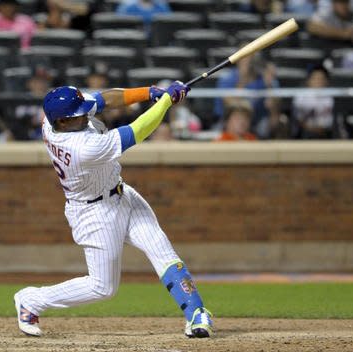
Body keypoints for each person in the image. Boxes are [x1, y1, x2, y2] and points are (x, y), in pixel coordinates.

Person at [13, 81, 214, 338]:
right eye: (79, 115)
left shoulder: (52, 119)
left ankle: (197, 313)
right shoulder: (82, 148)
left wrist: (148, 93)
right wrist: (166, 103)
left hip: (121, 194)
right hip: (94, 214)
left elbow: (105, 99)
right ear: (62, 122)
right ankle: (31, 300)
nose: (86, 115)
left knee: (161, 249)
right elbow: (137, 131)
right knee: (103, 288)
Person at [214, 52, 279, 138]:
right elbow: (231, 105)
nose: (250, 63)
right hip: (228, 118)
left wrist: (270, 84)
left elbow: (272, 108)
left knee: (277, 122)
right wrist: (244, 77)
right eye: (246, 59)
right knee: (237, 120)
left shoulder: (262, 79)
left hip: (255, 119)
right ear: (239, 60)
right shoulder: (228, 78)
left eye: (252, 59)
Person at [291, 65, 335, 139]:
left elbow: (330, 122)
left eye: (321, 79)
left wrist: (320, 129)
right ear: (308, 80)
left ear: (326, 81)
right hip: (304, 134)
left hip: (325, 134)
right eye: (315, 78)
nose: (318, 81)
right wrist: (311, 129)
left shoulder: (330, 97)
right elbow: (298, 119)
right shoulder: (301, 96)